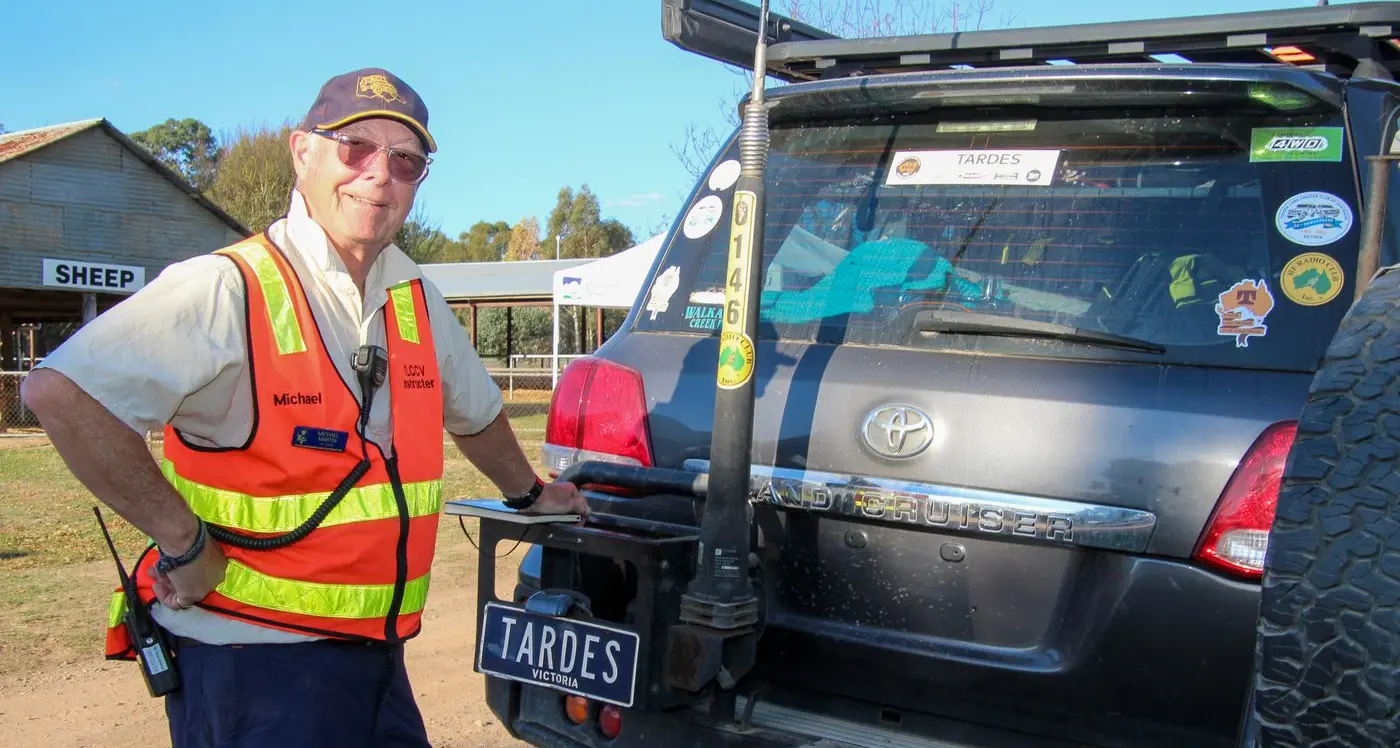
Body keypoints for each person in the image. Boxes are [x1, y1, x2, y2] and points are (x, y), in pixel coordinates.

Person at [20, 67, 589, 747]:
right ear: (302, 152)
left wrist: (529, 493)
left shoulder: (415, 299)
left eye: (405, 160)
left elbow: (475, 414)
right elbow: (62, 393)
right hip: (252, 666)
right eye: (355, 148)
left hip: (377, 658)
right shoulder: (226, 287)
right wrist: (184, 540)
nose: (380, 173)